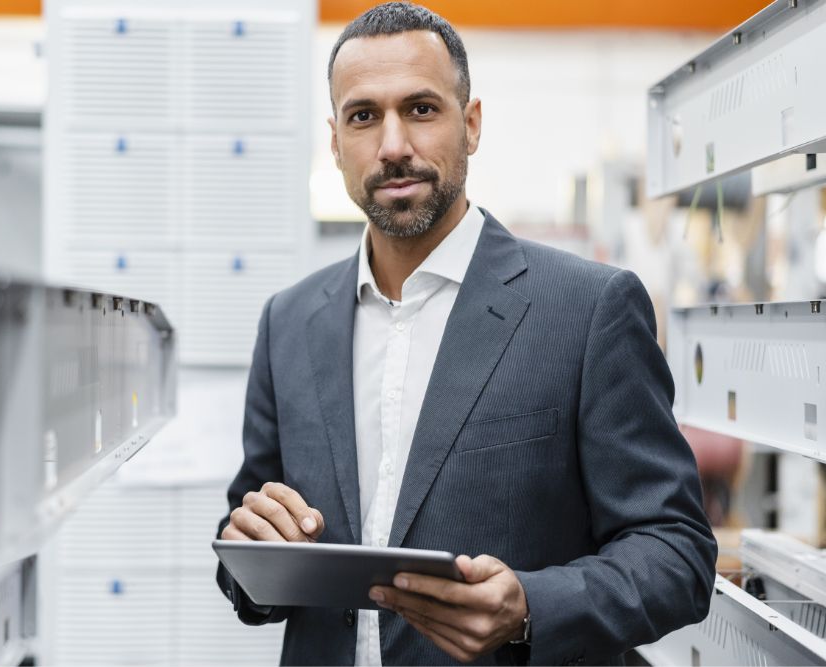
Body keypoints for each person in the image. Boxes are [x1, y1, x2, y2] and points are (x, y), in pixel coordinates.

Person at [215, 3, 717, 665]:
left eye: (421, 109)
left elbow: (677, 552)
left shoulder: (588, 309)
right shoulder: (290, 321)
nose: (393, 146)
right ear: (336, 142)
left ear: (471, 124)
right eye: (364, 116)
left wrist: (532, 606)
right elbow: (249, 547)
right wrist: (250, 545)